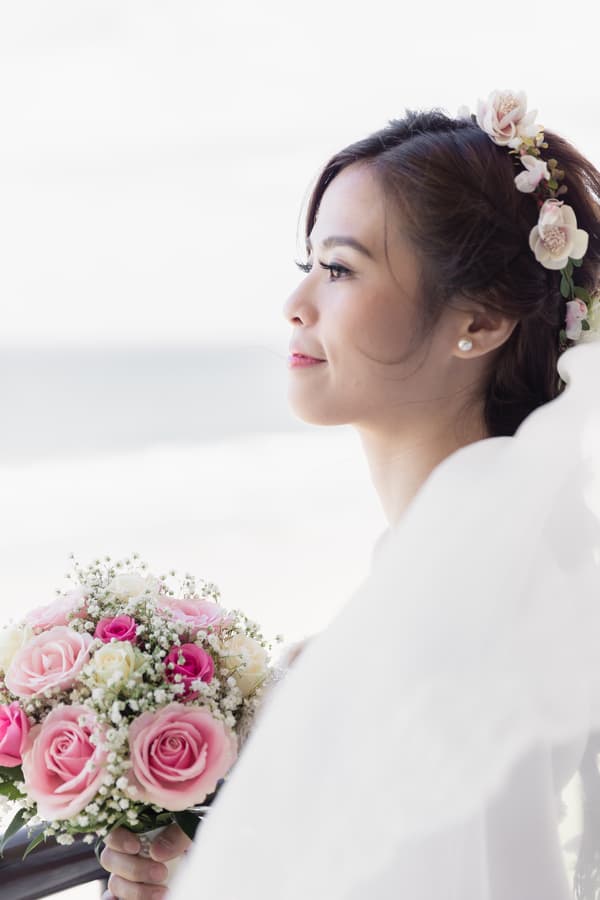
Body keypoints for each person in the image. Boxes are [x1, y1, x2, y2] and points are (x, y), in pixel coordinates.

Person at [100, 91, 600, 899]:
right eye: (309, 267)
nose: (295, 307)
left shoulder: (456, 617)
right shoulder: (460, 569)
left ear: (480, 320)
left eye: (339, 269)